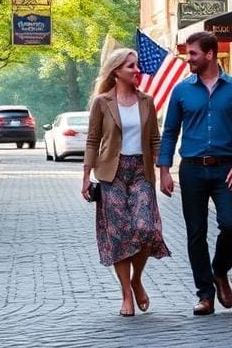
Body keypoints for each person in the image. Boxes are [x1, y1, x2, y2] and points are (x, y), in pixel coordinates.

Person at [158, 31, 232, 316]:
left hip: (227, 168)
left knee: (230, 225)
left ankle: (220, 270)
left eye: (193, 54)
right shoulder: (181, 91)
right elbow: (169, 133)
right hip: (191, 170)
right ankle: (205, 295)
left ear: (210, 54)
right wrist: (164, 170)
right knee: (196, 233)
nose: (188, 58)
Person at [82, 47, 170, 317]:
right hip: (112, 174)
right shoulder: (102, 102)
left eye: (137, 65)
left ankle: (137, 279)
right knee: (119, 235)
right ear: (117, 71)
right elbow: (93, 140)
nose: (136, 70)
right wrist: (86, 176)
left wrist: (165, 170)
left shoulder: (147, 101)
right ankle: (126, 295)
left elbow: (155, 139)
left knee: (145, 229)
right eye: (131, 66)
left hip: (141, 171)